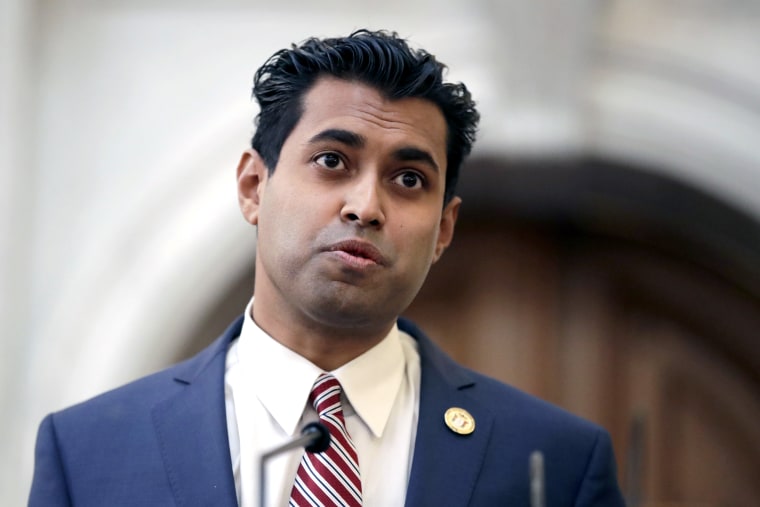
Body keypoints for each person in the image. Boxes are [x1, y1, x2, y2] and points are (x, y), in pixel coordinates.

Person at [29, 30, 625, 506]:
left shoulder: (554, 462)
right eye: (333, 161)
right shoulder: (88, 453)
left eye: (409, 179)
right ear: (253, 186)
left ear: (444, 229)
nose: (366, 206)